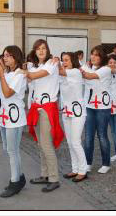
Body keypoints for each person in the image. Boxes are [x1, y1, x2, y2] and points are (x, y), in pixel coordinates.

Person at [25, 39, 64, 192]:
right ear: (34, 51)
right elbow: (31, 80)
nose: (41, 51)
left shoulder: (52, 64)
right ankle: (45, 174)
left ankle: (54, 178)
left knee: (46, 144)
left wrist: (22, 71)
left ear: (47, 50)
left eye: (43, 48)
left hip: (48, 108)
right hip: (37, 107)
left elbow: (34, 77)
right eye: (38, 49)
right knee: (41, 143)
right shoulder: (36, 66)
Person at [0, 45, 27, 197]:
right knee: (8, 149)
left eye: (8, 55)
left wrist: (0, 75)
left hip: (14, 117)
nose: (5, 58)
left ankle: (15, 181)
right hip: (4, 116)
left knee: (13, 151)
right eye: (4, 55)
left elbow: (7, 93)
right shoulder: (7, 73)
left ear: (16, 57)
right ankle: (19, 177)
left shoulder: (20, 75)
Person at [81, 45, 112, 174]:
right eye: (92, 54)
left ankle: (106, 163)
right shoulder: (88, 67)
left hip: (102, 108)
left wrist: (79, 69)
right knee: (88, 136)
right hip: (89, 106)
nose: (93, 57)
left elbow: (88, 76)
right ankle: (88, 163)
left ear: (102, 57)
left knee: (102, 136)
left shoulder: (106, 69)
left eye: (96, 55)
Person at [58, 52, 88, 181]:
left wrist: (54, 62)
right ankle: (75, 169)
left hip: (78, 112)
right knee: (70, 142)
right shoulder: (64, 74)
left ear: (73, 61)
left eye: (67, 60)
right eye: (63, 60)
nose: (64, 63)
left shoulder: (75, 71)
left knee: (76, 142)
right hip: (66, 111)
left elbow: (60, 72)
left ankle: (83, 170)